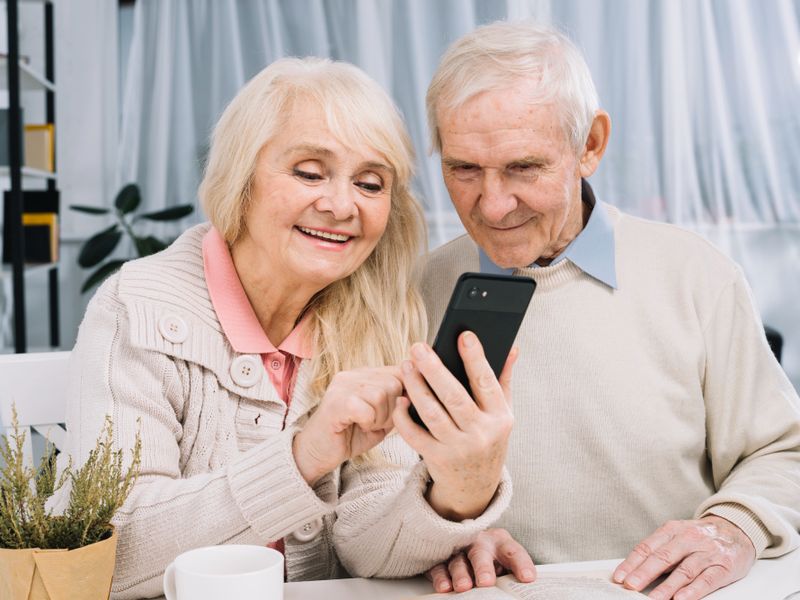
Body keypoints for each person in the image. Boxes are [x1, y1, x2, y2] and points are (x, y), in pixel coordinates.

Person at [56, 57, 515, 599]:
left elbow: (366, 545)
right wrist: (304, 455)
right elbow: (113, 554)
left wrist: (461, 490)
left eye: (371, 183)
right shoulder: (137, 307)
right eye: (308, 172)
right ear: (242, 177)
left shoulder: (374, 313)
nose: (342, 205)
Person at [414, 20, 800, 600]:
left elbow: (783, 452)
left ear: (590, 145)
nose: (491, 205)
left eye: (523, 167)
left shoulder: (697, 274)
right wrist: (438, 533)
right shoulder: (414, 291)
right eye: (464, 168)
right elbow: (374, 493)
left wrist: (730, 527)